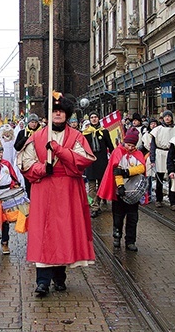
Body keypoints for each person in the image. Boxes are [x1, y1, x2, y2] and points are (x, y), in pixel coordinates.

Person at [17, 92, 96, 296]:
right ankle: (42, 281)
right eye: (54, 111)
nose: (58, 114)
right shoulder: (36, 137)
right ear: (48, 114)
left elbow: (84, 160)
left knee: (63, 232)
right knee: (43, 233)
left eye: (61, 111)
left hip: (68, 190)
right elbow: (25, 164)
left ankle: (60, 278)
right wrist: (43, 169)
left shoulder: (76, 136)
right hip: (44, 189)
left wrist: (59, 151)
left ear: (67, 114)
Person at [98, 128, 146, 251]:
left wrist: (127, 172)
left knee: (132, 218)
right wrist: (120, 186)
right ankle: (117, 236)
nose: (130, 148)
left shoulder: (138, 154)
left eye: (133, 145)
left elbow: (141, 168)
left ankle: (130, 240)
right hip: (119, 191)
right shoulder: (118, 152)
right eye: (128, 145)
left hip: (133, 192)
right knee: (118, 216)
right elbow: (115, 170)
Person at [83, 111, 114, 218]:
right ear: (89, 120)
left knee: (101, 185)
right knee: (91, 186)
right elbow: (83, 149)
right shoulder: (86, 133)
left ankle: (99, 202)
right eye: (92, 117)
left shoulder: (104, 132)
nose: (94, 119)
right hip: (91, 163)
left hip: (102, 162)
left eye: (96, 117)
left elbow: (110, 146)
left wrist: (114, 158)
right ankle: (94, 207)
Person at [150, 110, 175, 209]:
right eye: (165, 116)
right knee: (159, 178)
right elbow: (153, 146)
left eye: (169, 116)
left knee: (172, 179)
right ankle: (159, 199)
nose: (167, 118)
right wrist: (152, 159)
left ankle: (173, 202)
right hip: (160, 154)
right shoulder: (157, 130)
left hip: (171, 155)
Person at [14, 113, 42, 198]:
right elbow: (16, 147)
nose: (33, 124)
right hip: (27, 162)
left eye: (35, 122)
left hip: (39, 161)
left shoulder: (41, 132)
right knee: (28, 184)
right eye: (32, 122)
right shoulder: (23, 133)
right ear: (28, 123)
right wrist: (24, 140)